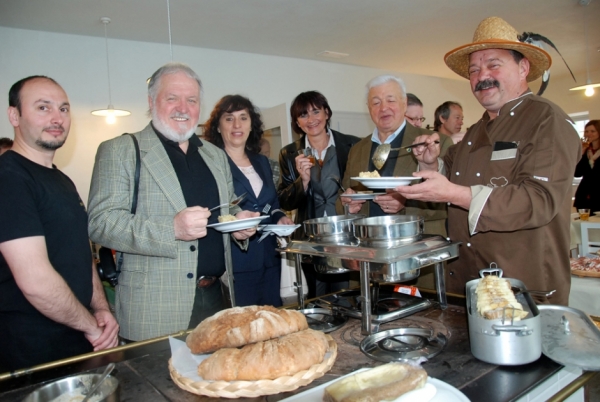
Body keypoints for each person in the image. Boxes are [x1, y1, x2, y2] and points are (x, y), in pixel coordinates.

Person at [395, 17, 581, 305]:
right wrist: (431, 164)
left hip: (522, 291)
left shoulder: (548, 119)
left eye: (493, 65)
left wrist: (454, 193)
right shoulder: (477, 129)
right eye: (474, 69)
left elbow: (539, 199)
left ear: (523, 68)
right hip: (469, 282)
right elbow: (451, 174)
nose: (482, 76)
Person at [87, 63, 258, 341]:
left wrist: (239, 223)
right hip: (154, 309)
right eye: (172, 98)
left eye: (191, 100)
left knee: (216, 382)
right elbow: (101, 223)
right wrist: (172, 229)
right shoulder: (120, 150)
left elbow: (228, 208)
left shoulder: (215, 155)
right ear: (151, 101)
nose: (183, 108)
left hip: (218, 298)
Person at [0, 76, 118, 371]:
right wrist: (91, 326)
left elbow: (81, 255)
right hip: (30, 353)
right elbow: (35, 281)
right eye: (43, 107)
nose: (57, 118)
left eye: (64, 109)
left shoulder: (61, 179)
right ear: (14, 115)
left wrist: (101, 308)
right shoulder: (9, 178)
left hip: (75, 340)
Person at [204, 95, 293, 306]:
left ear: (251, 124)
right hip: (235, 261)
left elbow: (271, 204)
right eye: (229, 118)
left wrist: (279, 216)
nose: (237, 125)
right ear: (217, 126)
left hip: (270, 257)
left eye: (243, 118)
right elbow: (207, 210)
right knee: (244, 328)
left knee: (272, 321)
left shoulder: (262, 162)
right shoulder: (210, 164)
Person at [338, 75, 453, 237]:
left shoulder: (435, 142)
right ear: (369, 108)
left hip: (418, 246)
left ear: (404, 103)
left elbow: (447, 203)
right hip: (369, 246)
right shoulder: (357, 149)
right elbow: (343, 194)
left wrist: (405, 203)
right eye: (376, 102)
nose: (383, 108)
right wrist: (347, 206)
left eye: (390, 100)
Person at [278, 90, 360, 298]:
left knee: (348, 296)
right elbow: (285, 201)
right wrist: (302, 181)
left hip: (347, 236)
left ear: (327, 113)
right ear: (297, 122)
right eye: (303, 115)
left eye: (316, 112)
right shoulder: (288, 153)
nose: (311, 119)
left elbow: (364, 185)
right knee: (317, 299)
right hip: (311, 239)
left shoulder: (352, 145)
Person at [574, 120, 600, 214]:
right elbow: (577, 173)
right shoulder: (585, 152)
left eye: (593, 131)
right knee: (584, 225)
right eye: (586, 131)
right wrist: (581, 153)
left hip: (598, 195)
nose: (589, 134)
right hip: (584, 196)